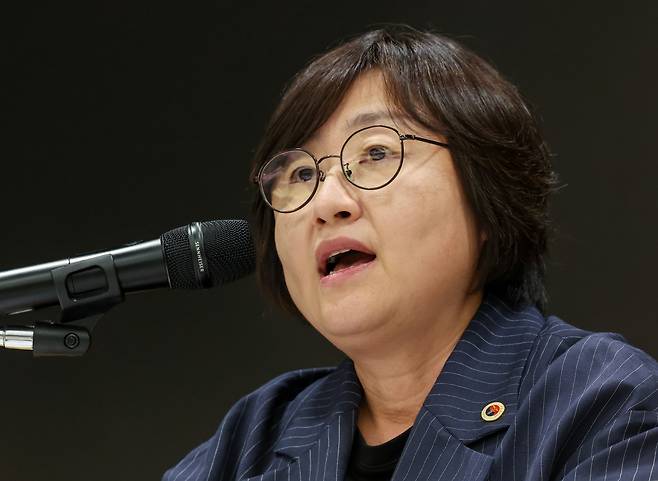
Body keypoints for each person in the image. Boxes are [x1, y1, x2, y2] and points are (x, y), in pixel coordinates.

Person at [163, 26, 658, 481]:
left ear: (487, 197)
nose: (327, 203)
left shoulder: (603, 401)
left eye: (376, 153)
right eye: (302, 175)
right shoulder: (255, 435)